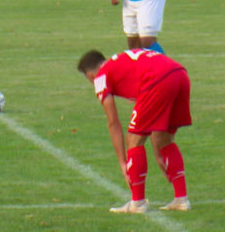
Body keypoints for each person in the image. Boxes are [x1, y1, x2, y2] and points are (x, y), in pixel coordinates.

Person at [76, 48, 191, 213]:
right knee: (164, 139)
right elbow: (153, 123)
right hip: (180, 75)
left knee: (133, 139)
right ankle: (181, 199)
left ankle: (137, 203)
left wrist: (123, 162)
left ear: (90, 75)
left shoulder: (101, 77)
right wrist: (158, 153)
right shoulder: (123, 63)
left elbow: (113, 123)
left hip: (157, 80)